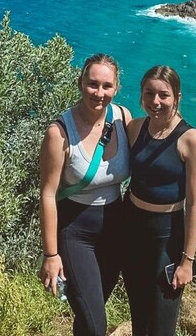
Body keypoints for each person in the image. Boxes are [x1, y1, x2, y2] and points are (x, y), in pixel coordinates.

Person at [39, 53, 132, 336]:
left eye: (107, 86)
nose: (99, 93)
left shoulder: (122, 117)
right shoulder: (60, 132)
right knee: (95, 324)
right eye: (93, 84)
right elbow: (47, 195)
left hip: (114, 230)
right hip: (76, 231)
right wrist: (50, 254)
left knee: (89, 315)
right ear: (80, 83)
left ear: (116, 88)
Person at [123, 65, 196, 336]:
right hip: (132, 226)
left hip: (167, 235)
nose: (155, 102)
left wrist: (187, 261)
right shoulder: (135, 128)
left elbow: (195, 205)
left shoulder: (191, 140)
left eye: (164, 95)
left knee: (163, 321)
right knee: (139, 316)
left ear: (177, 97)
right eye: (149, 94)